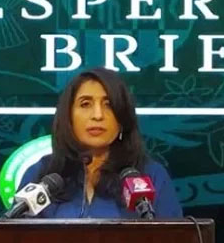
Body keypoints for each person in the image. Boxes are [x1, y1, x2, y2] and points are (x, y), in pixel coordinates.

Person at [18, 67, 183, 218]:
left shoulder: (150, 175)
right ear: (68, 116)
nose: (98, 115)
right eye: (85, 104)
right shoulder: (41, 174)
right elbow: (15, 235)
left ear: (122, 118)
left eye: (109, 105)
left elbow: (174, 238)